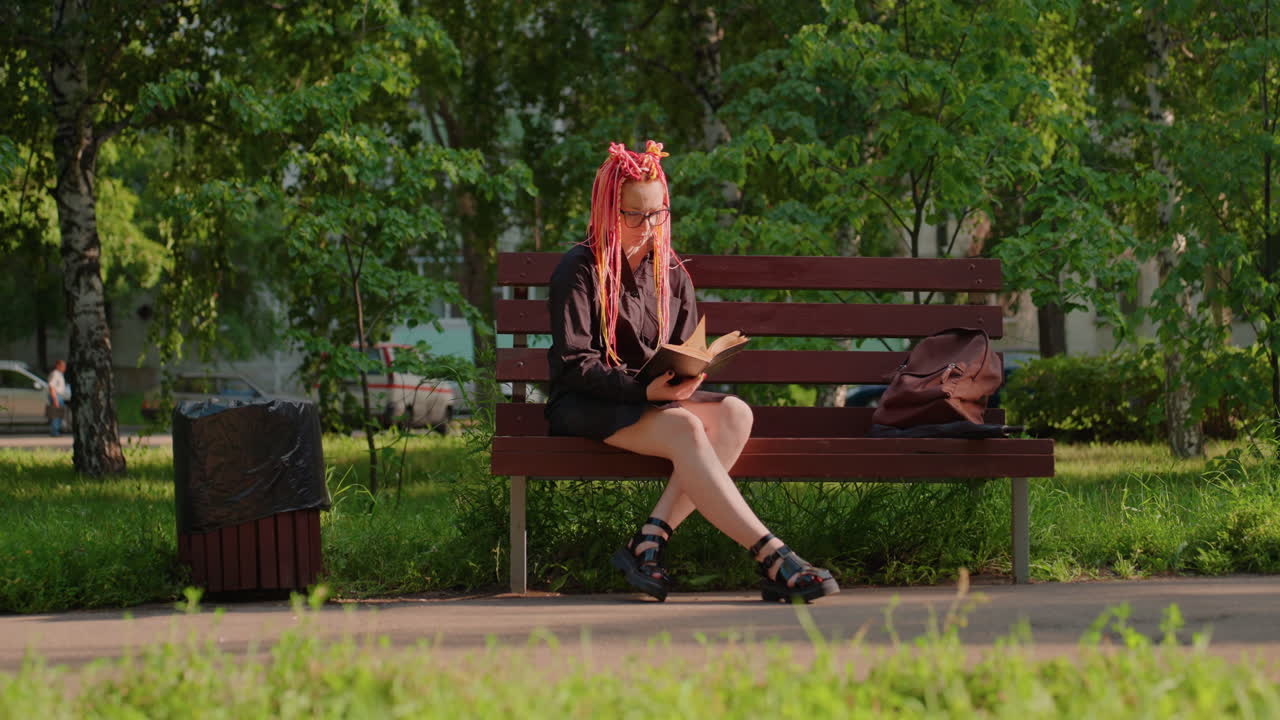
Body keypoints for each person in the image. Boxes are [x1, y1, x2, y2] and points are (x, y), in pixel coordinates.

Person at [544, 141, 839, 603]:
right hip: (588, 402)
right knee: (685, 427)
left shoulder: (671, 270)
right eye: (635, 215)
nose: (649, 227)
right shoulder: (579, 268)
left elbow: (682, 347)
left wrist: (688, 374)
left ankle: (649, 540)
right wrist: (644, 392)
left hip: (656, 399)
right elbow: (574, 363)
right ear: (607, 212)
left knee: (736, 413)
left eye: (658, 214)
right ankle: (773, 556)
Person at [47, 359, 70, 437]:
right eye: (62, 366)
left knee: (59, 414)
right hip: (56, 396)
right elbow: (51, 387)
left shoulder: (60, 374)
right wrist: (55, 399)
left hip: (59, 396)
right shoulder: (55, 374)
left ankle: (57, 431)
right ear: (57, 366)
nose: (64, 368)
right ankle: (55, 432)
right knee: (56, 414)